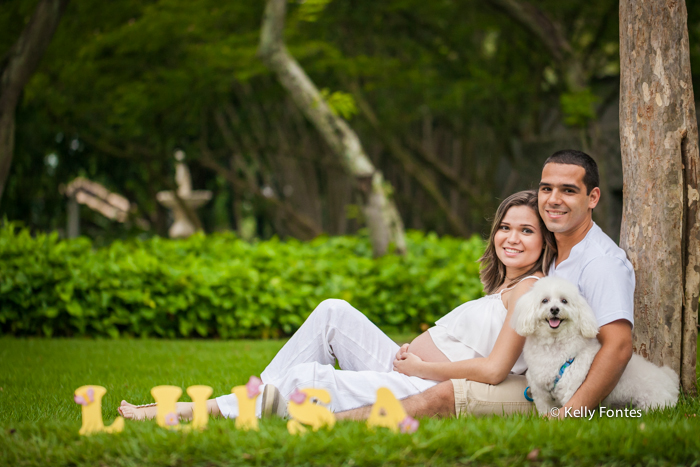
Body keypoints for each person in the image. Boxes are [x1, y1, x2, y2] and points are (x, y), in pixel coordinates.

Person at [118, 190, 556, 421]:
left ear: (545, 242)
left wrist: (424, 369)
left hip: (420, 385)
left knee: (307, 380)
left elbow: (496, 370)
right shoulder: (508, 287)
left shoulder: (531, 292)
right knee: (332, 311)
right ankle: (249, 401)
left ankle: (192, 411)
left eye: (526, 232)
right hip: (406, 368)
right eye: (505, 227)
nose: (511, 238)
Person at [338, 149, 634, 420]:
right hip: (530, 374)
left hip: (556, 387)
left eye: (568, 190)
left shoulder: (601, 262)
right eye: (546, 188)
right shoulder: (553, 255)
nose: (553, 199)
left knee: (443, 393)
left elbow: (618, 346)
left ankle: (333, 419)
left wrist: (570, 413)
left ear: (593, 197)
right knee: (336, 317)